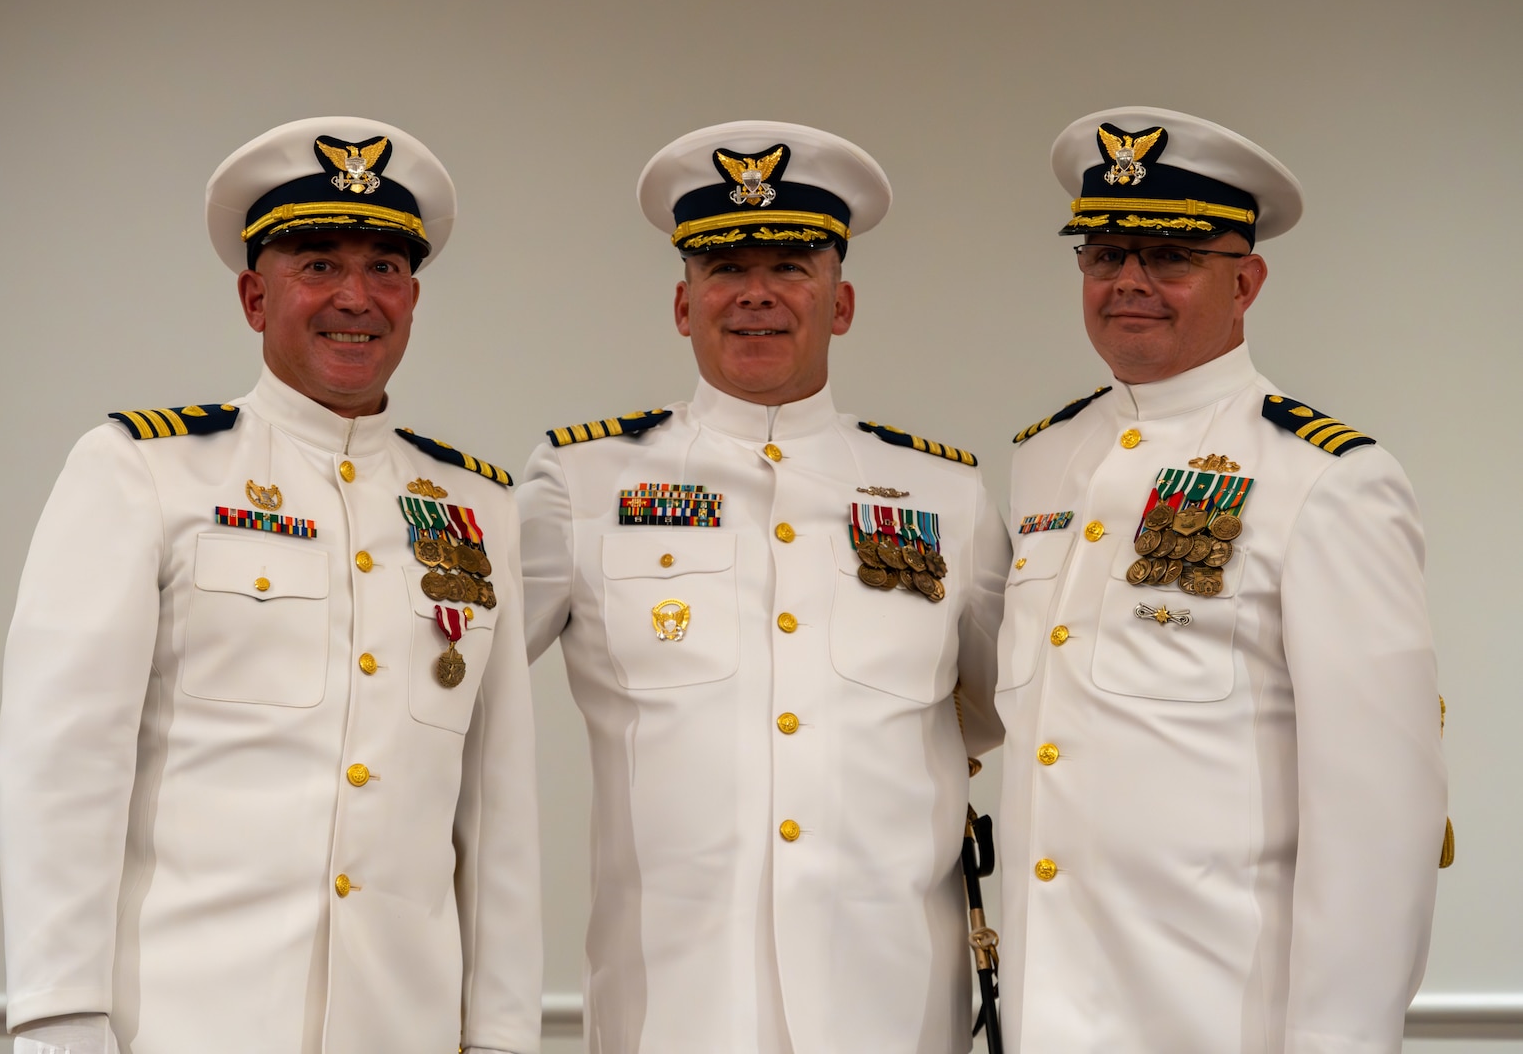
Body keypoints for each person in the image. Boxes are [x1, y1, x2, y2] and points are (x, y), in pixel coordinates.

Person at [0, 117, 541, 1054]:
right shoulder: (146, 472)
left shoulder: (474, 505)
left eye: (385, 268)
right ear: (255, 297)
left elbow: (497, 808)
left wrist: (498, 1033)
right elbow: (64, 760)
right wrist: (58, 1014)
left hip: (399, 1025)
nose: (355, 297)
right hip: (184, 1019)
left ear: (413, 296)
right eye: (318, 264)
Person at [518, 120, 1012, 1054]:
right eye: (724, 268)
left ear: (843, 302)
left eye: (790, 266)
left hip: (892, 998)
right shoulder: (582, 482)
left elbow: (983, 707)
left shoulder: (945, 496)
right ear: (682, 302)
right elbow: (465, 683)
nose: (755, 294)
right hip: (674, 1001)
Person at [994, 106, 1449, 1053]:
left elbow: (1379, 818)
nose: (1129, 282)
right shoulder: (1044, 460)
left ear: (1245, 281)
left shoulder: (1325, 478)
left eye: (1169, 255)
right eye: (1105, 252)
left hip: (1217, 1020)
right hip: (1049, 1015)